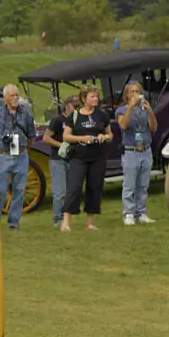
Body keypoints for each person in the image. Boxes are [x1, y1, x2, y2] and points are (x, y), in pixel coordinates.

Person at [62, 85, 112, 232]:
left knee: (95, 188)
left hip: (98, 157)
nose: (95, 99)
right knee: (74, 187)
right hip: (79, 156)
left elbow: (110, 135)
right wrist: (82, 138)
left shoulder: (102, 115)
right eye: (92, 96)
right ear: (84, 99)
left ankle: (90, 222)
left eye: (96, 96)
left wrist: (105, 136)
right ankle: (66, 222)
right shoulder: (75, 116)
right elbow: (66, 136)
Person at [0, 84, 36, 230]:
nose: (15, 98)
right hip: (3, 155)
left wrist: (22, 147)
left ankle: (13, 222)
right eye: (12, 96)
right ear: (5, 98)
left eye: (17, 95)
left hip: (20, 155)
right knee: (0, 191)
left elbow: (31, 135)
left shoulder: (26, 113)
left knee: (19, 190)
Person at [117, 82, 157, 225]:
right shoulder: (121, 110)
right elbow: (123, 125)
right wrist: (130, 107)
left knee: (143, 185)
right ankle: (128, 213)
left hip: (146, 150)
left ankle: (141, 212)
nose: (135, 94)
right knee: (130, 185)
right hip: (130, 152)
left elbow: (153, 127)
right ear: (127, 95)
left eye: (137, 91)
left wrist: (150, 111)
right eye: (132, 92)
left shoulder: (144, 109)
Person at [42, 95, 80, 228]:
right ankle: (57, 218)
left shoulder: (76, 120)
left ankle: (66, 218)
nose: (77, 109)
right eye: (75, 106)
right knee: (60, 191)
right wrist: (61, 145)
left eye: (79, 106)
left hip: (72, 159)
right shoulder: (57, 120)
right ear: (67, 106)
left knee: (71, 191)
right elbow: (46, 138)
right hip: (58, 159)